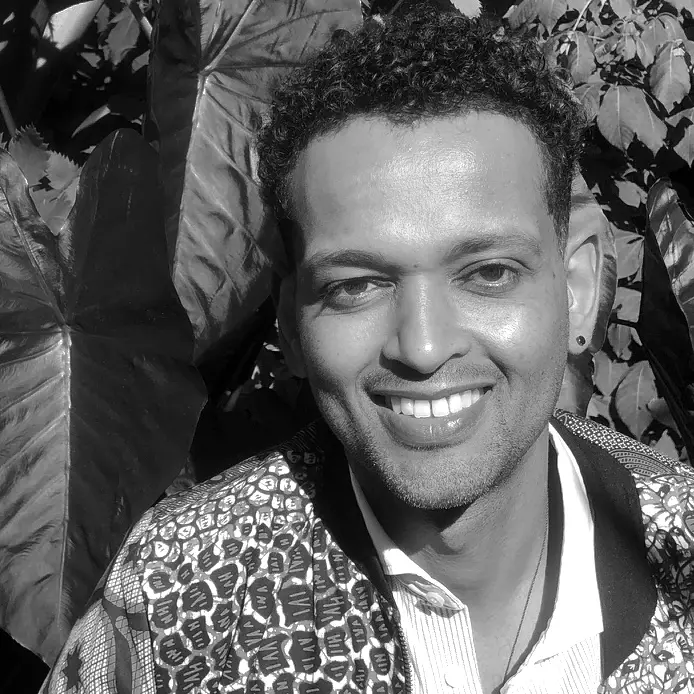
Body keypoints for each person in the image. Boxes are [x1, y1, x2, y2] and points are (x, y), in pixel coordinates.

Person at [42, 9, 694, 694]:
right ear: (291, 323)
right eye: (356, 286)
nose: (424, 346)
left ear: (580, 290)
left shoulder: (678, 551)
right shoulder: (174, 604)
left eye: (488, 273)